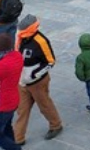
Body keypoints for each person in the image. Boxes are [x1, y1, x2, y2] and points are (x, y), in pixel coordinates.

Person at [14, 15, 63, 144]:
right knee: (22, 110)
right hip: (22, 82)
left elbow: (51, 61)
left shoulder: (41, 41)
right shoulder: (20, 38)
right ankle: (18, 138)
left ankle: (56, 125)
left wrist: (35, 74)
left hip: (38, 83)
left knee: (44, 106)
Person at [0, 33, 23, 150]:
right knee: (7, 127)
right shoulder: (17, 56)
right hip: (13, 100)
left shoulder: (3, 66)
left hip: (3, 104)